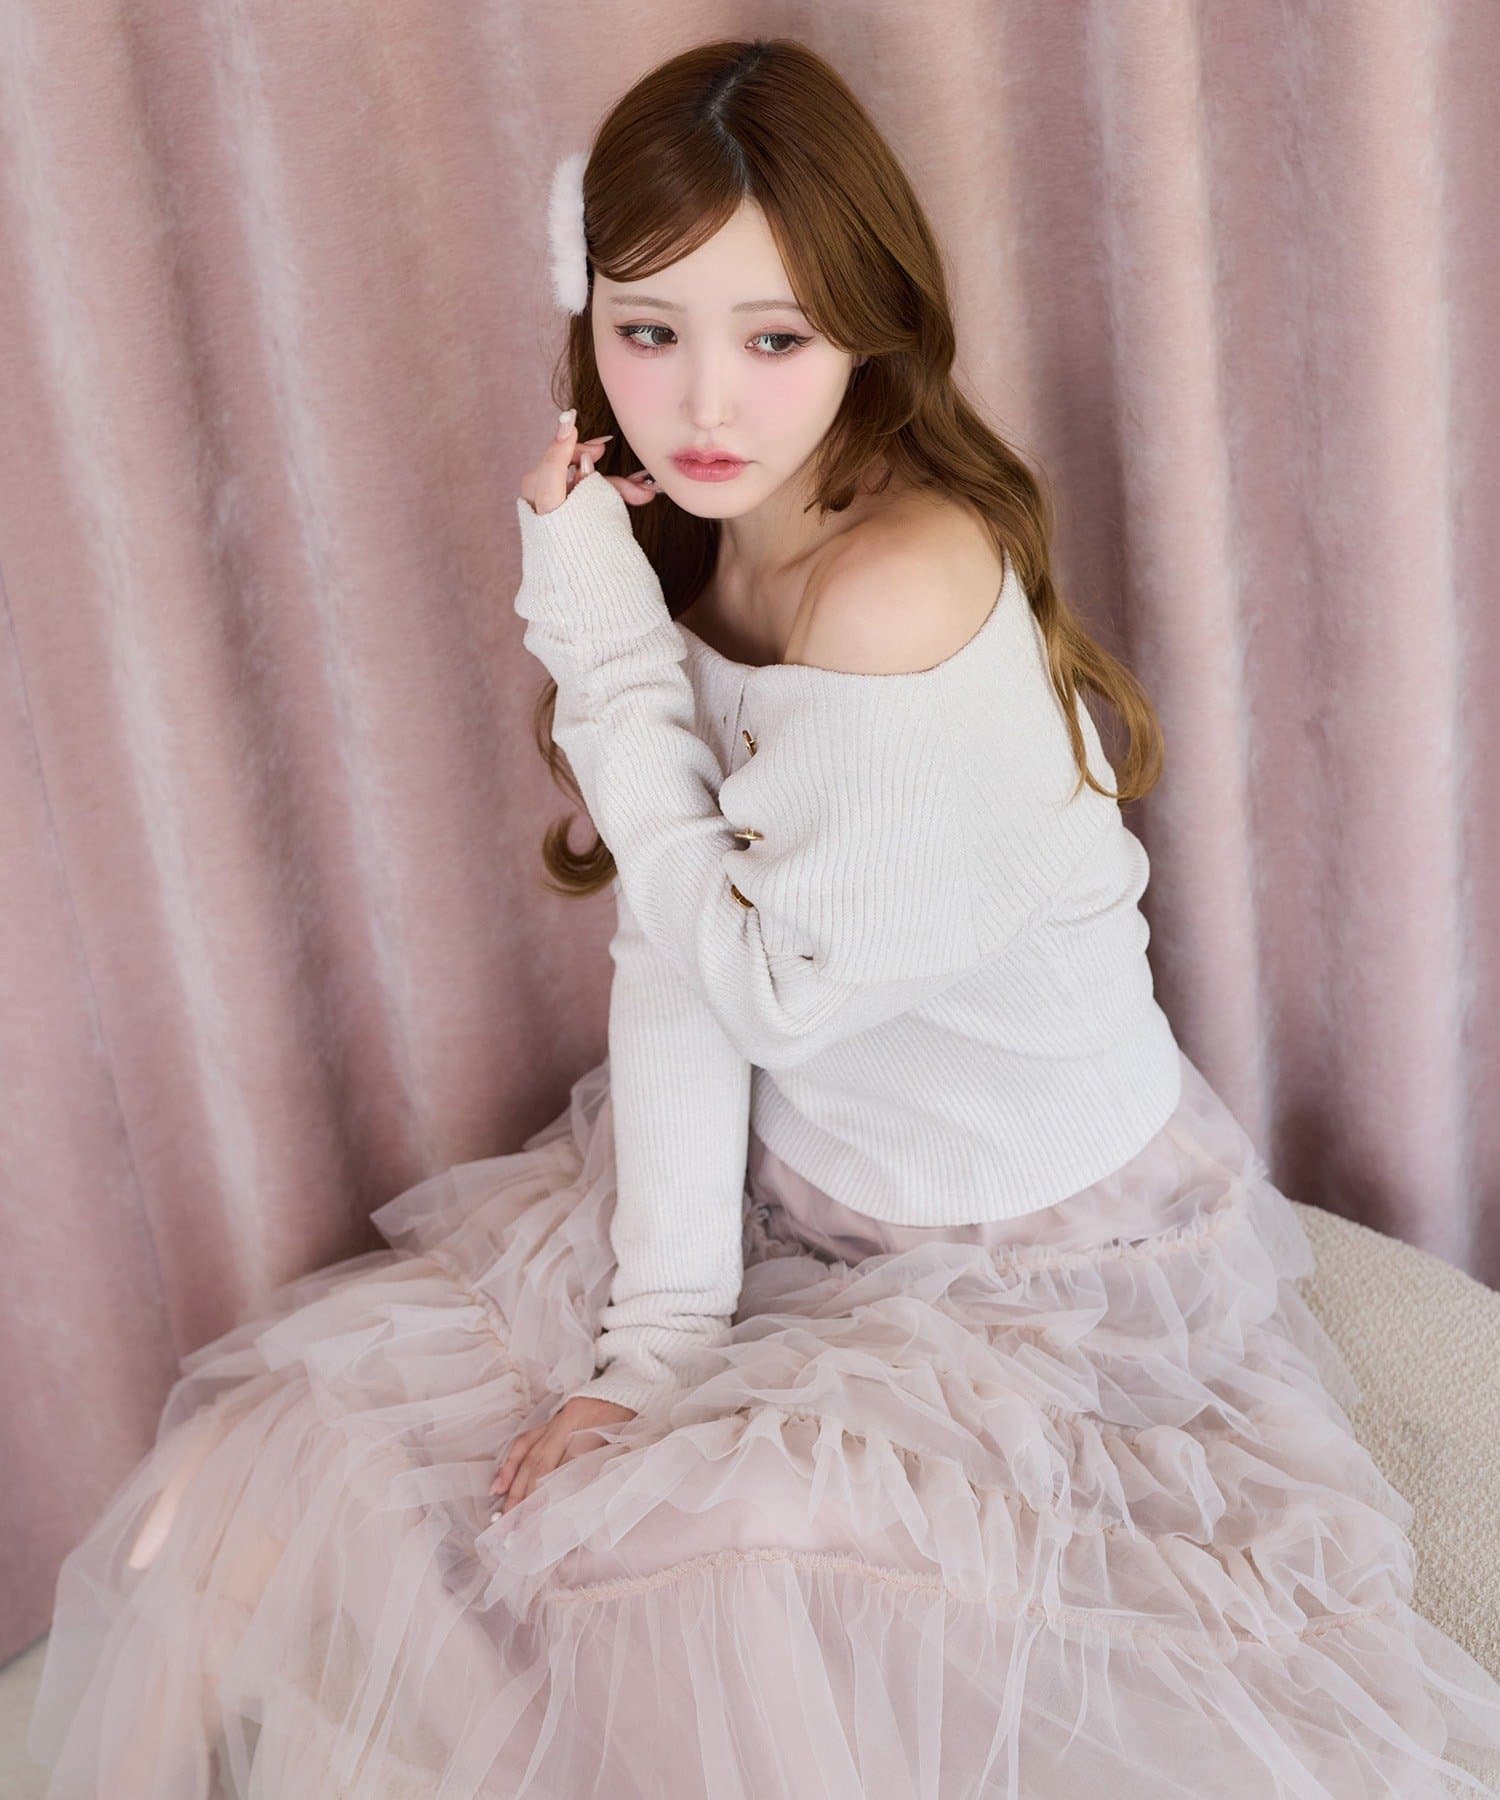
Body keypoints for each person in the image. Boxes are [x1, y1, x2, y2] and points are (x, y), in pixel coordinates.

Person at [27, 35, 1500, 1799]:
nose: (701, 404)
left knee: (678, 1569)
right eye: (649, 331)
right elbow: (673, 964)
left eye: (774, 338)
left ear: (866, 332)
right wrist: (653, 1344)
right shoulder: (714, 546)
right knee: (269, 1456)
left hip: (1036, 1269)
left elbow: (767, 991)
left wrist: (602, 651)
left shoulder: (898, 585)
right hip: (784, 1189)